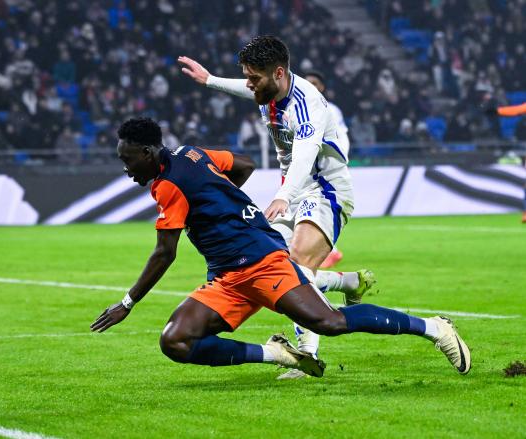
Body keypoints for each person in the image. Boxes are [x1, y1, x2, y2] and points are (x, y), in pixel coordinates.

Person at [90, 117, 471, 379]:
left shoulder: (169, 185)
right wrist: (225, 201)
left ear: (148, 152)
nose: (126, 169)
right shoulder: (193, 153)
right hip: (227, 276)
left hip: (260, 260)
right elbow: (243, 164)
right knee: (175, 341)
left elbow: (164, 253)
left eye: (128, 159)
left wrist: (126, 303)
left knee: (329, 323)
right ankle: (279, 353)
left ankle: (434, 328)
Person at [178, 36, 375, 378]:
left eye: (254, 78)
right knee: (272, 264)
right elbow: (246, 88)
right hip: (293, 189)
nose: (249, 84)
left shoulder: (308, 103)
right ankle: (348, 283)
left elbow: (305, 154)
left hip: (324, 188)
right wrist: (210, 80)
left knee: (297, 265)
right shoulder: (267, 92)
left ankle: (307, 355)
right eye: (248, 77)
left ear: (279, 73)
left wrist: (285, 195)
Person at [303, 69, 349, 269]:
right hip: (306, 167)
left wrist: (335, 163)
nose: (310, 86)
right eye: (307, 83)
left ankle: (331, 250)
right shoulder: (298, 109)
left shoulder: (330, 109)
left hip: (322, 169)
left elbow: (341, 137)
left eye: (314, 82)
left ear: (322, 88)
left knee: (316, 207)